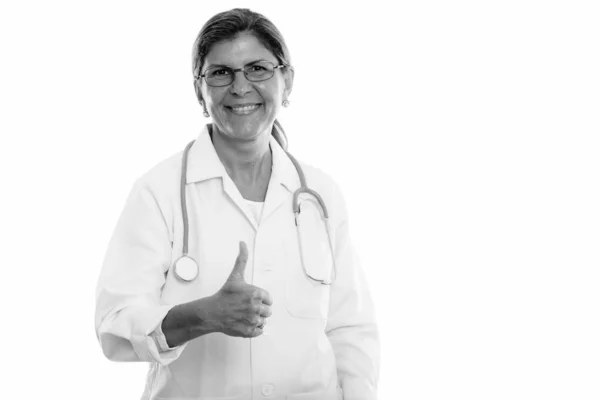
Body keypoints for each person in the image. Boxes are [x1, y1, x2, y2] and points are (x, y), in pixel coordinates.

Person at [95, 8, 379, 400]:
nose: (241, 86)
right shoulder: (157, 192)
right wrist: (199, 316)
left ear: (287, 80)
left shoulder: (320, 193)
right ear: (200, 89)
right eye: (221, 72)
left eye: (258, 68)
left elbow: (351, 328)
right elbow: (114, 323)